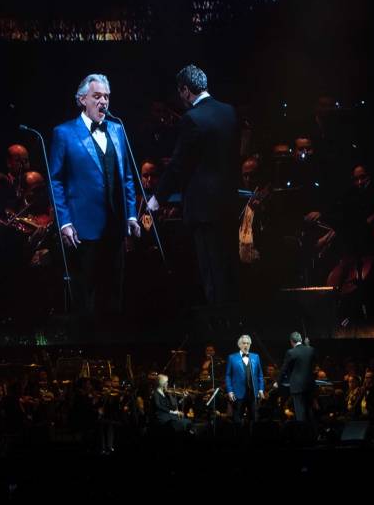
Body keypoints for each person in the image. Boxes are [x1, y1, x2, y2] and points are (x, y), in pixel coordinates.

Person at [49, 74, 141, 328]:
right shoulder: (64, 133)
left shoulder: (117, 129)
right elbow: (55, 180)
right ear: (82, 100)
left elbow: (128, 177)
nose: (103, 102)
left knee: (115, 299)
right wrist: (64, 221)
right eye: (97, 96)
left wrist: (131, 215)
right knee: (87, 302)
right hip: (83, 230)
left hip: (115, 229)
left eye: (107, 97)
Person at [147, 64, 239, 304]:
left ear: (186, 90)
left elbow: (178, 164)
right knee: (228, 270)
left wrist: (157, 198)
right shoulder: (229, 111)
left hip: (204, 210)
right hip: (228, 205)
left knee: (212, 274)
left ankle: (218, 330)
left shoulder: (192, 118)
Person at [275, 332, 317, 425]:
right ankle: (313, 435)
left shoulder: (291, 352)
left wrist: (278, 382)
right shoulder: (311, 350)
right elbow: (312, 360)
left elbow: (284, 369)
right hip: (310, 386)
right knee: (310, 412)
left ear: (291, 341)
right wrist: (308, 345)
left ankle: (302, 435)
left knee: (300, 414)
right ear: (301, 340)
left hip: (297, 387)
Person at [225, 335, 265, 426]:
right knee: (237, 420)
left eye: (248, 343)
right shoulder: (232, 358)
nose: (246, 345)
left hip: (253, 393)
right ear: (239, 345)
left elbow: (260, 374)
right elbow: (228, 376)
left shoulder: (255, 357)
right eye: (244, 343)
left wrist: (261, 389)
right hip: (238, 394)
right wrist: (230, 391)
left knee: (254, 419)